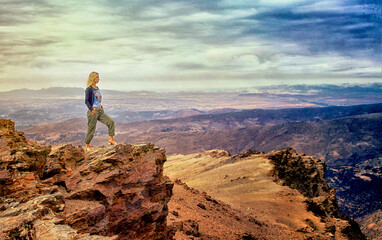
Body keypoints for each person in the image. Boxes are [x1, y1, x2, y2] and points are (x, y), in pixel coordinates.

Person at [84, 71, 116, 151]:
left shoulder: (97, 88)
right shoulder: (89, 89)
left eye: (98, 77)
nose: (99, 79)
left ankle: (110, 140)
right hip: (93, 111)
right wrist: (91, 109)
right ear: (93, 78)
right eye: (97, 77)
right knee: (91, 128)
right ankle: (87, 145)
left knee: (110, 122)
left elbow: (97, 99)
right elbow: (86, 101)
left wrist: (100, 106)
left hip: (100, 111)